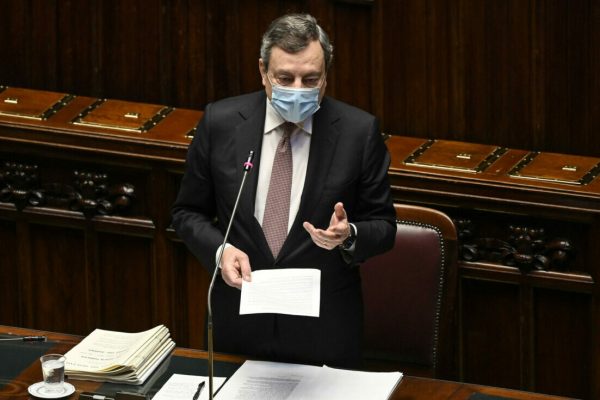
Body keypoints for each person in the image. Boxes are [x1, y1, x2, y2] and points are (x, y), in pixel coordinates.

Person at [171, 13, 396, 368]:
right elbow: (187, 213)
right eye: (284, 78)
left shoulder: (358, 132)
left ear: (326, 76)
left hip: (324, 336)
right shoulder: (221, 122)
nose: (297, 89)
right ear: (263, 72)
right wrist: (220, 250)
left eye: (310, 79)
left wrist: (348, 235)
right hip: (239, 327)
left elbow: (383, 226)